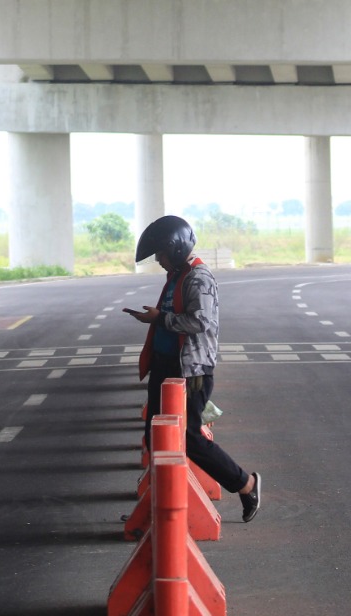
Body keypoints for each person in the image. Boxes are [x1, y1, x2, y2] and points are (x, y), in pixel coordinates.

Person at [123, 214, 261, 522]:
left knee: (188, 438)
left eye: (159, 252)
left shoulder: (199, 277)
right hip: (165, 367)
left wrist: (161, 318)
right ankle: (154, 508)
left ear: (174, 247)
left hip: (190, 372)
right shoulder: (176, 275)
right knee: (155, 436)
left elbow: (202, 321)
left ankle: (245, 484)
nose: (157, 259)